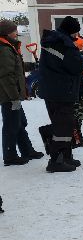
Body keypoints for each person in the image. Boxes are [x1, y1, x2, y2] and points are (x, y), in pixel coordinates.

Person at [37, 16, 83, 173]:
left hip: (54, 89)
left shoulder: (55, 41)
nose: (76, 36)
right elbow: (73, 65)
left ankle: (65, 156)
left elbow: (65, 62)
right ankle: (56, 161)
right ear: (71, 31)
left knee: (65, 124)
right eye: (75, 32)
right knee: (63, 126)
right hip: (60, 91)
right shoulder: (63, 44)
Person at [0, 18, 43, 167]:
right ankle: (10, 156)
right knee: (11, 125)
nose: (16, 33)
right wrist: (14, 97)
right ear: (7, 33)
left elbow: (17, 67)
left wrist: (31, 66)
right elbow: (6, 75)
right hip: (9, 96)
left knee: (19, 123)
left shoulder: (9, 47)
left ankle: (27, 151)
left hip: (13, 95)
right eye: (14, 31)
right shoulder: (4, 49)